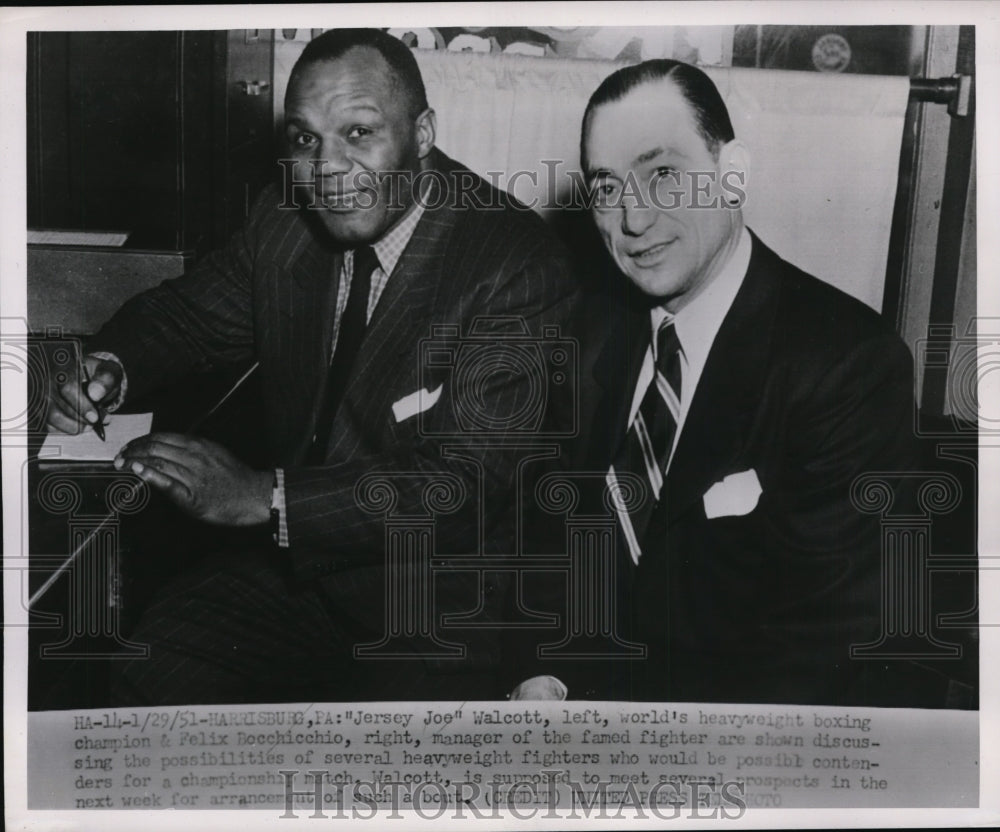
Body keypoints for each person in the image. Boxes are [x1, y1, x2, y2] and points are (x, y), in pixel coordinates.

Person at [44, 28, 578, 705]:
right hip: (302, 577)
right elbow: (187, 317)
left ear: (422, 135)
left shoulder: (515, 264)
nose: (328, 168)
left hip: (436, 610)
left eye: (359, 134)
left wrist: (265, 495)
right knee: (149, 667)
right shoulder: (287, 218)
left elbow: (458, 487)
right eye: (304, 140)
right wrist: (110, 365)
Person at [510, 59, 917, 706]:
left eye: (663, 175)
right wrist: (542, 671)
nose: (633, 219)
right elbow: (544, 546)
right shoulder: (582, 335)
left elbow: (822, 643)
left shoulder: (847, 364)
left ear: (732, 175)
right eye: (607, 188)